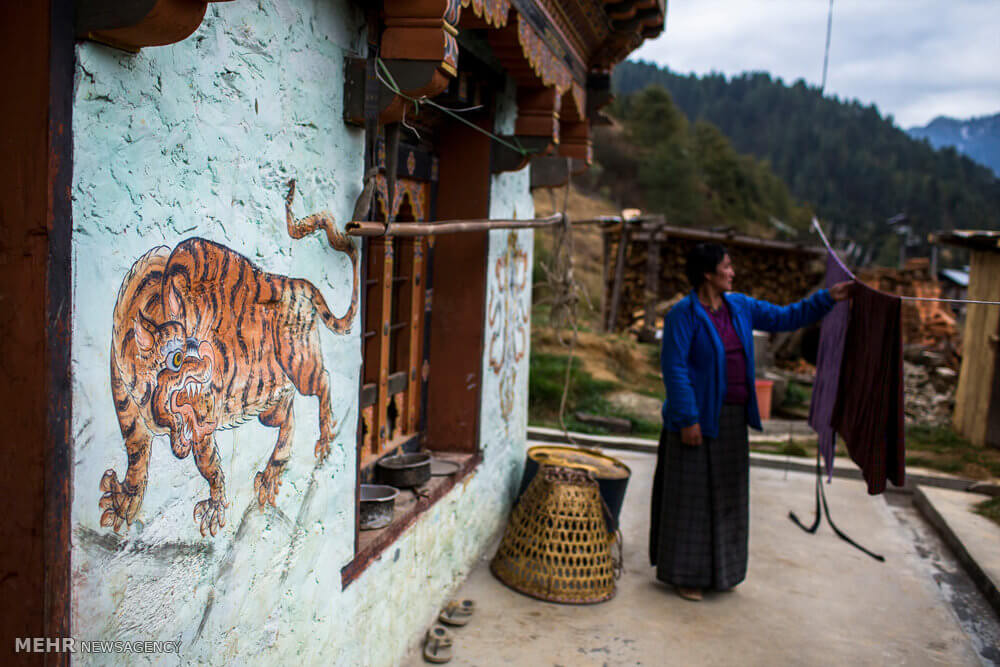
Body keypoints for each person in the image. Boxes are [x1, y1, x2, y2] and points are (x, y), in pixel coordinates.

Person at [649, 243, 852, 601]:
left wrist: (828, 298)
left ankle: (722, 573)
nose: (733, 271)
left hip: (730, 420)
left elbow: (786, 316)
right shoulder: (684, 314)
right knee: (691, 502)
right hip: (695, 418)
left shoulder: (739, 306)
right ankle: (687, 575)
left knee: (727, 498)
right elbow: (675, 369)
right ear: (707, 273)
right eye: (726, 266)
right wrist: (687, 419)